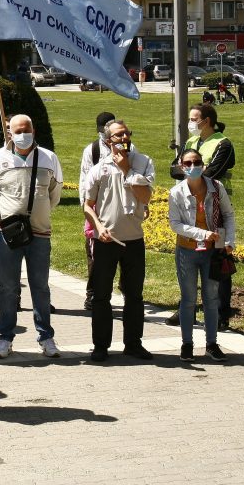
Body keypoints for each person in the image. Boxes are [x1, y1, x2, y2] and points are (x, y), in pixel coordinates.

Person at [0, 115, 64, 359]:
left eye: (26, 130)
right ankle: (5, 338)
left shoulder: (49, 158)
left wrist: (40, 211)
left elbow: (55, 193)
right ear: (9, 133)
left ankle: (46, 336)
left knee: (40, 286)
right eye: (17, 131)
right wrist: (6, 215)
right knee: (8, 287)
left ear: (33, 129)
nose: (22, 134)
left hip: (40, 232)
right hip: (8, 234)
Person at [83, 119, 155, 362]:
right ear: (107, 141)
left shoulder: (143, 162)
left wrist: (127, 170)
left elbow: (145, 196)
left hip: (134, 240)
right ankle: (101, 346)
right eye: (117, 136)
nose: (123, 138)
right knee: (101, 295)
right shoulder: (99, 169)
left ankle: (133, 343)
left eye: (126, 134)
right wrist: (98, 226)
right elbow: (87, 206)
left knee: (134, 295)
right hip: (106, 240)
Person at [168, 149, 235, 363]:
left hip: (212, 252)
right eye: (188, 163)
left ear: (203, 164)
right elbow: (175, 224)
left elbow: (228, 214)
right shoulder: (176, 192)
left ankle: (211, 343)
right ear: (181, 166)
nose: (192, 166)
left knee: (211, 298)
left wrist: (229, 240)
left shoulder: (216, 187)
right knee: (188, 299)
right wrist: (203, 233)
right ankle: (187, 344)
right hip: (187, 251)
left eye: (197, 162)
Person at [180, 103, 236, 330]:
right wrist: (195, 170)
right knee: (189, 260)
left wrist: (192, 171)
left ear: (207, 121)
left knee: (219, 260)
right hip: (191, 209)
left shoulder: (223, 143)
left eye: (195, 119)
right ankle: (188, 309)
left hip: (216, 210)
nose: (191, 123)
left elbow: (214, 172)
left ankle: (221, 313)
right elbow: (174, 168)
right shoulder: (191, 142)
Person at [78, 111, 117, 311]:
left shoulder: (128, 148)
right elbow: (84, 179)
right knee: (94, 254)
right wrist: (85, 206)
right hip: (96, 208)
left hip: (118, 209)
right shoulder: (92, 150)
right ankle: (92, 293)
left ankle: (119, 290)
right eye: (106, 129)